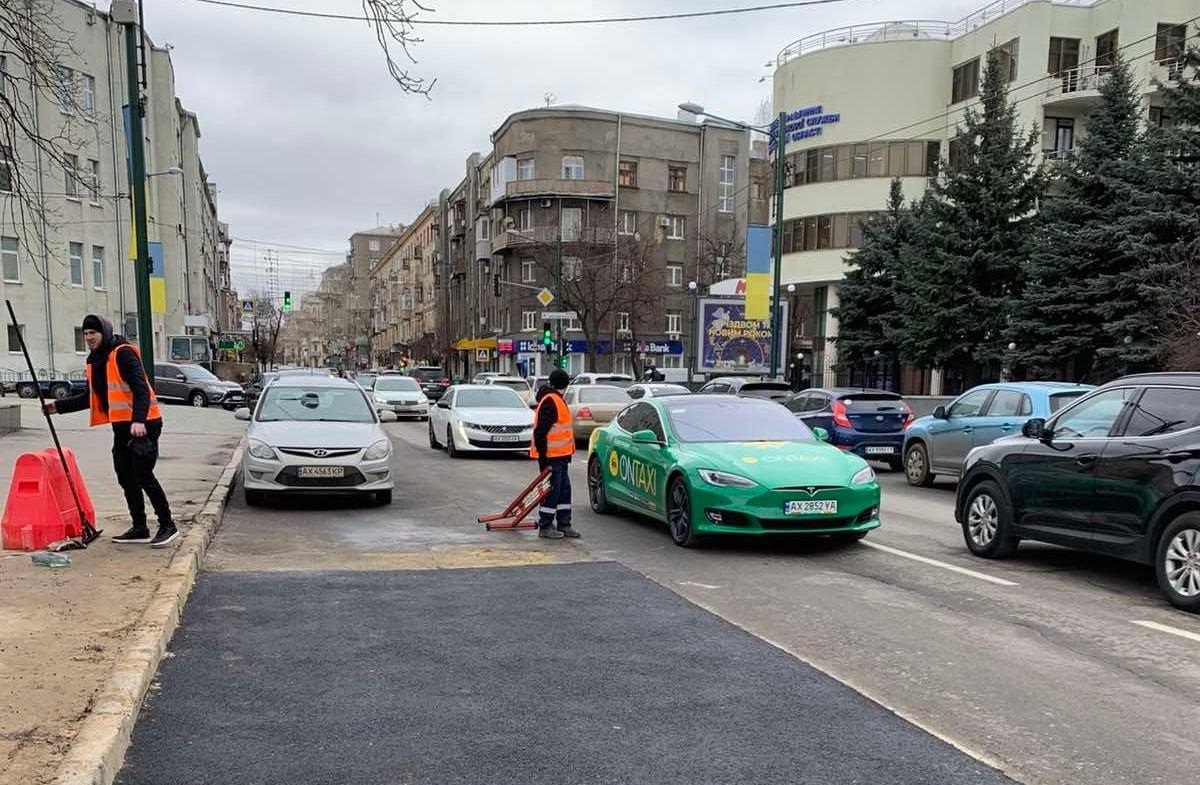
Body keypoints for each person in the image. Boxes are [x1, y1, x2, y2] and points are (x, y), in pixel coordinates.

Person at [44, 315, 177, 547]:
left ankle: (168, 525)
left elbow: (141, 389)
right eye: (85, 334)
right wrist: (58, 407)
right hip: (122, 426)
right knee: (125, 475)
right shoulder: (94, 360)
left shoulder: (122, 353)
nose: (88, 338)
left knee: (143, 473)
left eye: (92, 333)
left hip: (145, 423)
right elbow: (91, 397)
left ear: (103, 332)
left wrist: (139, 421)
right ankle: (139, 527)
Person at [529, 369, 579, 540]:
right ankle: (546, 525)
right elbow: (540, 433)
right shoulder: (551, 401)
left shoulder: (556, 399)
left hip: (561, 457)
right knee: (552, 492)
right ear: (565, 384)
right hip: (551, 457)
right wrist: (544, 460)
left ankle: (564, 524)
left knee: (564, 491)